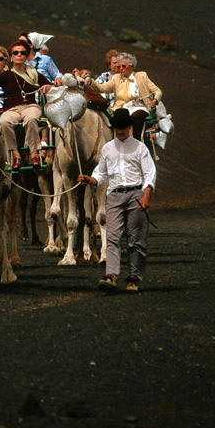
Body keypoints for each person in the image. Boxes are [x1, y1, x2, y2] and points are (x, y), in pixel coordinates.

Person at [78, 107, 156, 293]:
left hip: (136, 194)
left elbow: (149, 174)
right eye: (116, 127)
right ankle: (111, 275)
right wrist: (90, 179)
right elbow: (101, 173)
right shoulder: (107, 148)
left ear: (129, 127)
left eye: (123, 127)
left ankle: (134, 277)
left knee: (136, 239)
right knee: (112, 236)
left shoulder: (140, 147)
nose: (119, 131)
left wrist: (146, 195)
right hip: (114, 195)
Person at [0, 39, 55, 169]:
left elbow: (49, 84)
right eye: (15, 53)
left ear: (26, 56)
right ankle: (16, 155)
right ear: (11, 57)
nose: (19, 55)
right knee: (4, 122)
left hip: (30, 106)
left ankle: (34, 154)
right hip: (12, 109)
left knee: (31, 119)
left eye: (22, 53)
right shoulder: (6, 75)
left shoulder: (33, 73)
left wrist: (48, 87)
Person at [86, 51, 162, 142]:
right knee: (118, 115)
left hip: (139, 106)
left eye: (123, 66)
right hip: (123, 107)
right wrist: (91, 82)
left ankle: (136, 141)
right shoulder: (116, 78)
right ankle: (119, 141)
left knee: (136, 116)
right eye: (119, 66)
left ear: (132, 66)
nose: (121, 69)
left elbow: (157, 91)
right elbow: (102, 88)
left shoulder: (142, 76)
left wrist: (155, 100)